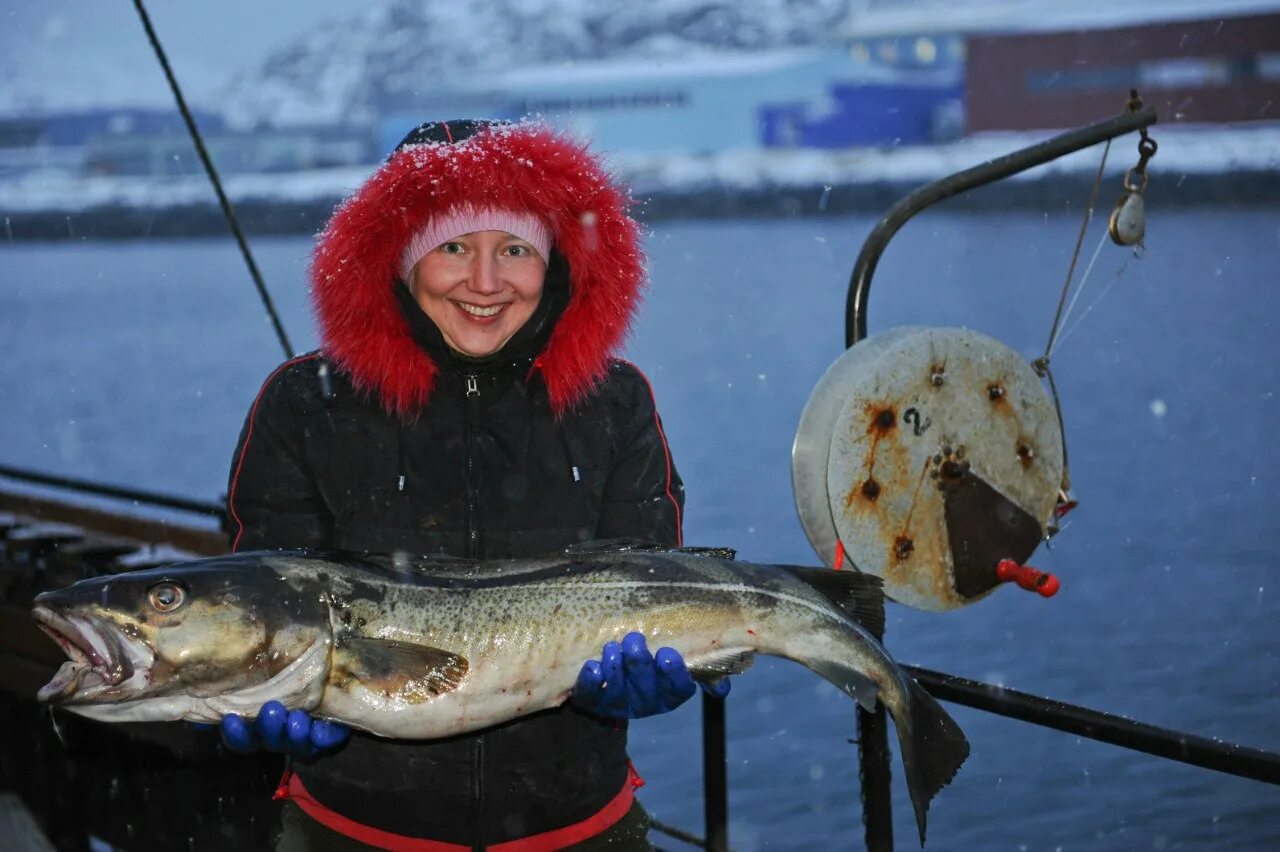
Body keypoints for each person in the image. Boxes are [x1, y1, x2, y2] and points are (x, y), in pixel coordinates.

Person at [219, 118, 728, 851]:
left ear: (550, 266)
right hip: (353, 831)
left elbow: (653, 579)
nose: (485, 283)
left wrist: (655, 673)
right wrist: (261, 696)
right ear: (397, 261)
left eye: (514, 249)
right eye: (452, 246)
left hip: (580, 831)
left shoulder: (613, 403)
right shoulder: (305, 404)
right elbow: (264, 595)